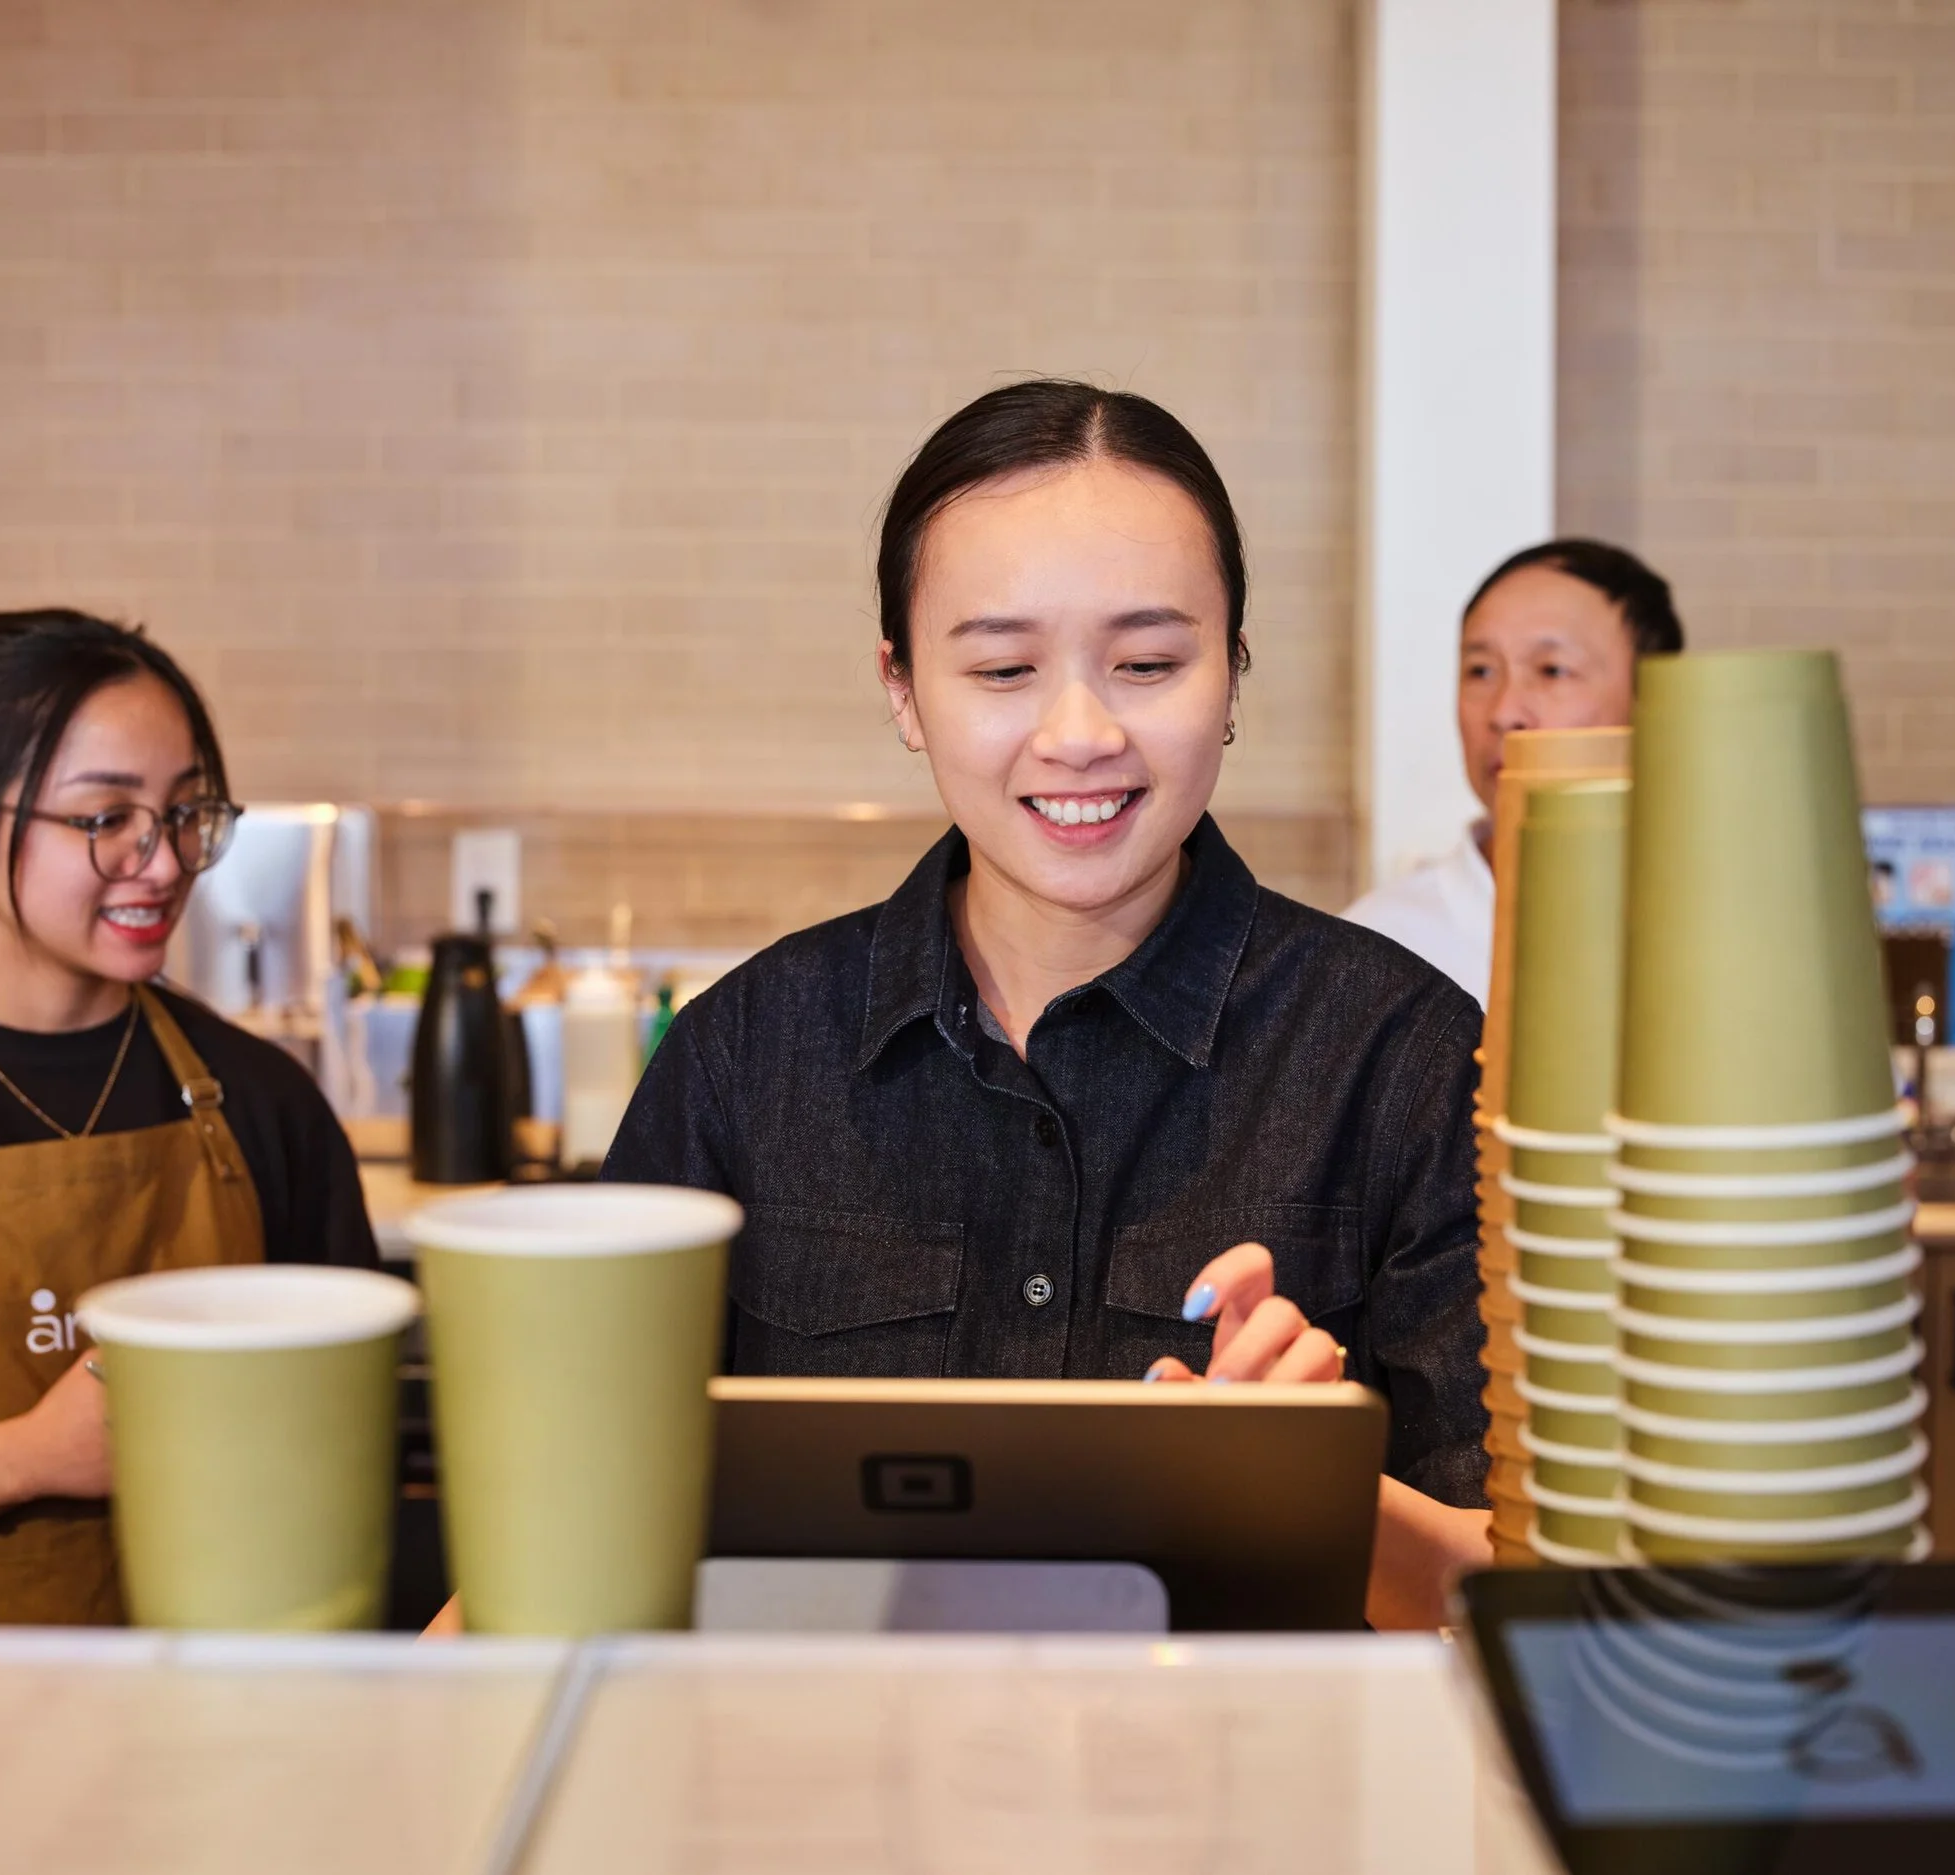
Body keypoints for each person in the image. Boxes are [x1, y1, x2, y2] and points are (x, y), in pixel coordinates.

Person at [608, 380, 1493, 1625]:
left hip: (1255, 1802)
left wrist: (1325, 1484)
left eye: (1146, 662)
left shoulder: (1401, 1061)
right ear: (905, 689)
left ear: (1232, 674)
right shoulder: (743, 1057)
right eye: (1004, 668)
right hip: (812, 1796)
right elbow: (575, 1521)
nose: (1078, 734)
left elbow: (1537, 1607)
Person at [0, 610, 378, 1624]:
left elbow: (358, 1439)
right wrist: (20, 1459)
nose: (162, 864)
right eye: (105, 820)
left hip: (229, 1724)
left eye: (187, 815)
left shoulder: (262, 1103)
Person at [1341, 538, 1684, 1002]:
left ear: (1654, 702)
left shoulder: (1722, 925)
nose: (1504, 712)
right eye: (1481, 671)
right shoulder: (1378, 949)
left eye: (1552, 670)